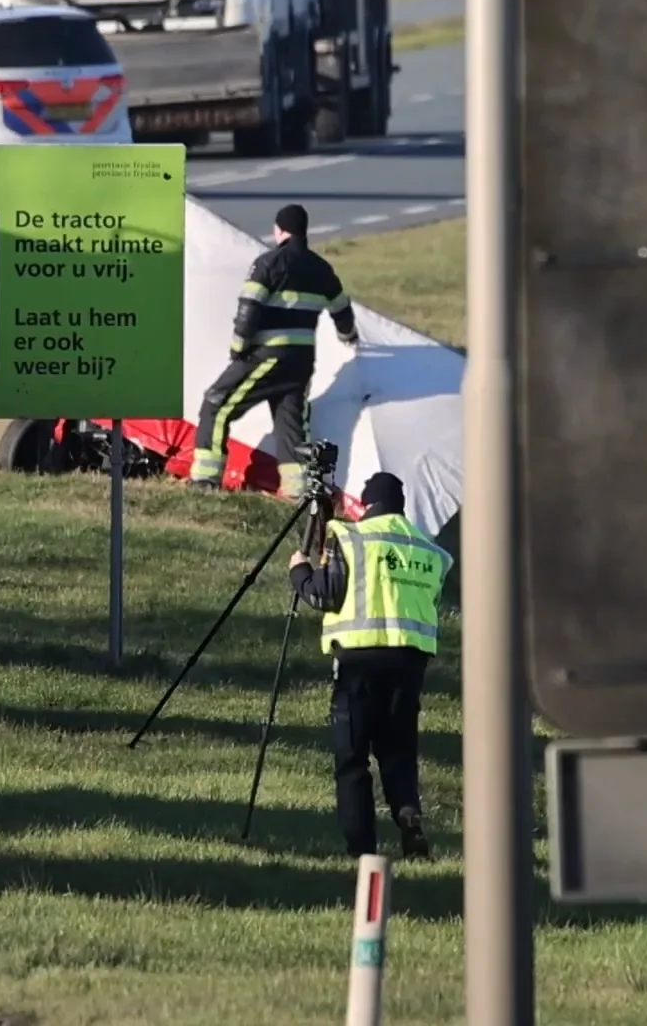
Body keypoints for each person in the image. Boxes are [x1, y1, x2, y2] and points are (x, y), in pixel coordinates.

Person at [288, 471, 451, 859]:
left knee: (353, 757)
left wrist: (299, 570)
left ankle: (361, 849)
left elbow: (324, 595)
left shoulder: (353, 538)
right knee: (398, 749)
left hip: (359, 660)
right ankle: (408, 814)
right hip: (409, 662)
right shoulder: (430, 551)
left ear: (368, 503)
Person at [189, 203, 358, 498]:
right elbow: (342, 310)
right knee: (290, 424)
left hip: (267, 355)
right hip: (301, 362)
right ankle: (297, 491)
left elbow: (248, 309)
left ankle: (205, 480)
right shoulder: (321, 268)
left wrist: (239, 348)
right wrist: (349, 336)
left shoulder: (268, 264)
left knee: (216, 403)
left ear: (279, 230)